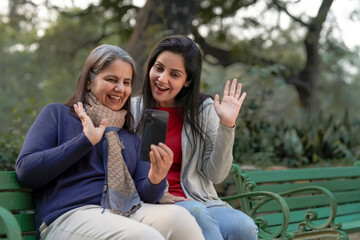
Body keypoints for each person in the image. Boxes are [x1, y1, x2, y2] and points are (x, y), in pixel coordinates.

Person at [15, 44, 204, 240]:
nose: (120, 89)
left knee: (181, 219)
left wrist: (156, 177)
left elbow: (146, 194)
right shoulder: (58, 114)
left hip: (123, 211)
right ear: (89, 81)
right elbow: (26, 171)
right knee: (144, 236)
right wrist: (85, 141)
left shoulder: (128, 136)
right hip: (69, 215)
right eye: (111, 79)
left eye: (126, 82)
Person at [131, 35, 258, 240]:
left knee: (244, 227)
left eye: (174, 74)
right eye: (159, 68)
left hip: (200, 200)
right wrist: (153, 190)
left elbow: (216, 175)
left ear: (187, 80)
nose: (162, 79)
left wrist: (227, 125)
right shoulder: (133, 110)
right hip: (153, 201)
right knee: (198, 215)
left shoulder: (203, 110)